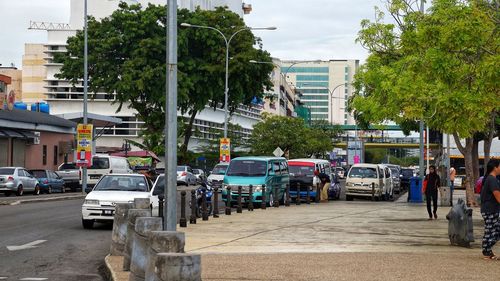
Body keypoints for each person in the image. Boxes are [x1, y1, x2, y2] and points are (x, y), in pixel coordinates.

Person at [480, 159, 500, 260]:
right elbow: (497, 195)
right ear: (495, 167)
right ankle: (487, 251)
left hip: (490, 209)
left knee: (494, 229)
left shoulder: (491, 178)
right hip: (490, 209)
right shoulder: (492, 179)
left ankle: (487, 249)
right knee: (490, 230)